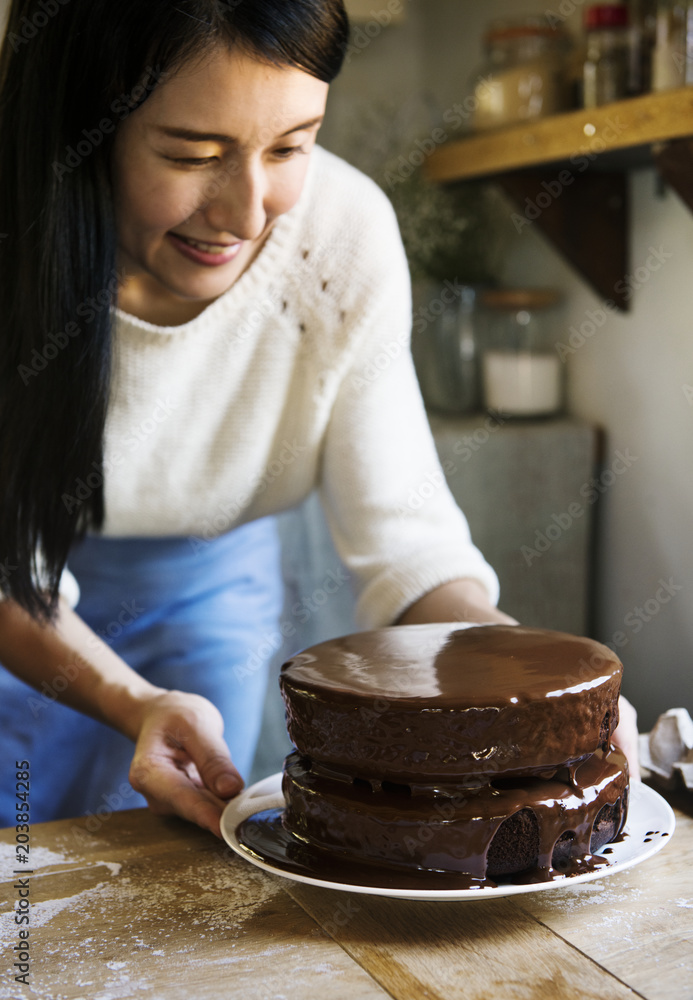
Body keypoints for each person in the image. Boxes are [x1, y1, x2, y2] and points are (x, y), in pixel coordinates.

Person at [0, 0, 637, 838]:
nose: (247, 211)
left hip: (208, 590)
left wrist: (547, 700)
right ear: (80, 126)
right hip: (19, 604)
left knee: (165, 866)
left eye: (292, 145)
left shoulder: (340, 234)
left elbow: (407, 545)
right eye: (193, 154)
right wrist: (130, 699)